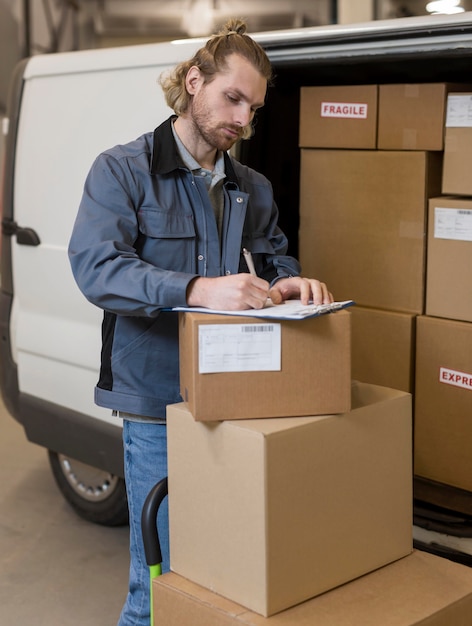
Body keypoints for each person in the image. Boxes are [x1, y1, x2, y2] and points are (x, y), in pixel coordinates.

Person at [68, 18, 332, 626]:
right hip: (158, 399)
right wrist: (197, 288)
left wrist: (286, 279)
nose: (243, 120)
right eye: (232, 98)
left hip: (239, 393)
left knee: (225, 569)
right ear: (194, 82)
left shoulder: (253, 187)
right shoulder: (123, 170)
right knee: (158, 578)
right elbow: (97, 270)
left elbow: (270, 255)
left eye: (254, 108)